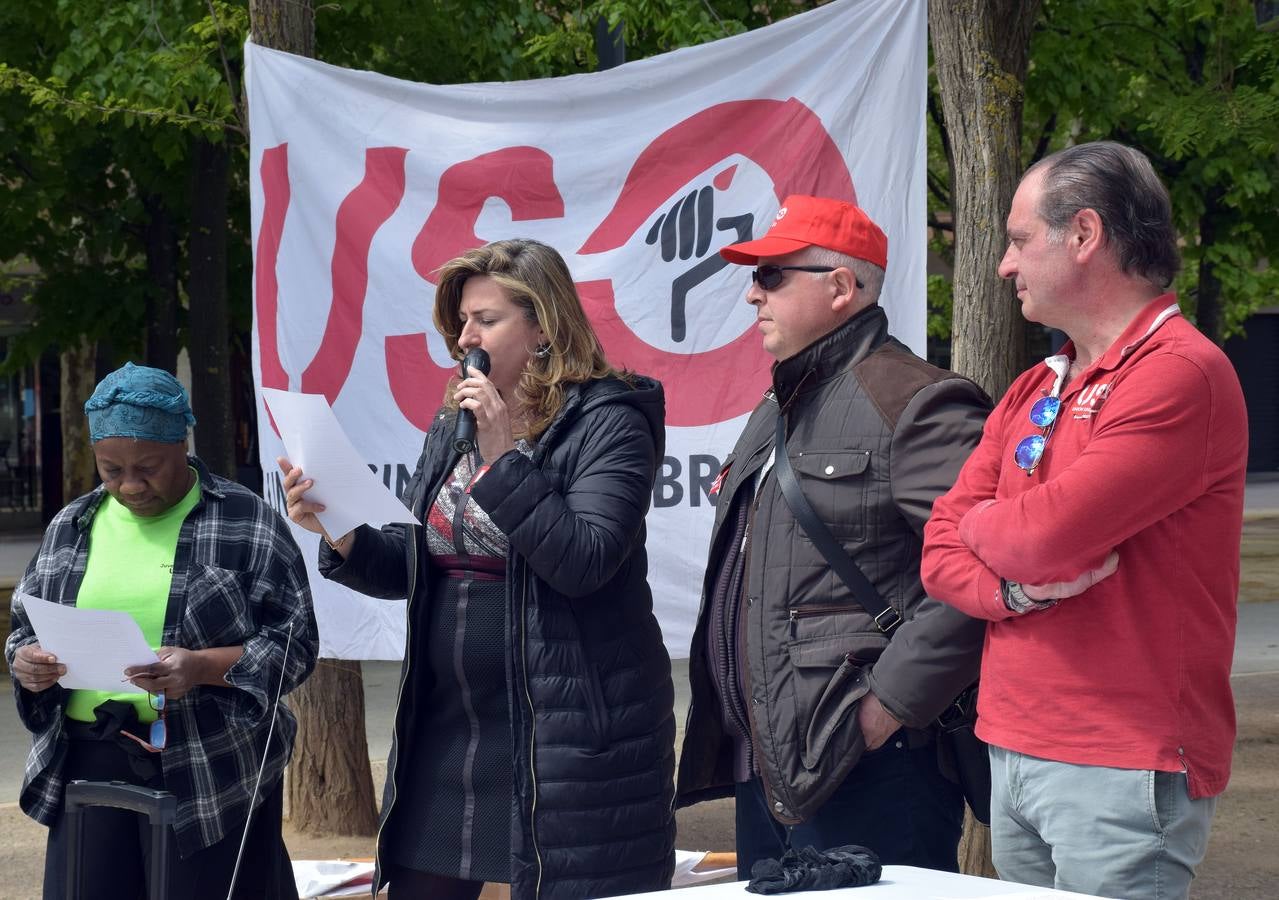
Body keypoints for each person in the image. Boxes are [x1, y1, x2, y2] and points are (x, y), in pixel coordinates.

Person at [280, 238, 676, 900]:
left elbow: (583, 561)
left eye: (484, 320)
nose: (464, 336)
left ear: (543, 325)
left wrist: (502, 454)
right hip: (447, 726)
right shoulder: (454, 420)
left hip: (559, 725)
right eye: (460, 321)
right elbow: (420, 562)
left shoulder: (609, 420)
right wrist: (340, 531)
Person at [920, 141, 1249, 899]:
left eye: (1018, 238)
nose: (1004, 264)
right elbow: (939, 549)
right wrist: (1013, 590)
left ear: (1084, 235)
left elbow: (1039, 538)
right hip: (1012, 745)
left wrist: (994, 526)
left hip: (1122, 760)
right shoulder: (1038, 382)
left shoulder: (1180, 373)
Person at [676, 195, 992, 877]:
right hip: (769, 764)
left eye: (770, 276)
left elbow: (973, 576)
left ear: (840, 287)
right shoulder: (778, 405)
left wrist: (886, 708)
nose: (750, 294)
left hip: (872, 766)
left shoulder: (916, 399)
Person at [6, 362, 318, 900]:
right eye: (110, 470)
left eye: (148, 467)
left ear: (182, 446)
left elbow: (296, 643)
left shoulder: (246, 520)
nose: (130, 485)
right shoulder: (72, 525)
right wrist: (26, 661)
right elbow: (22, 628)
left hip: (206, 759)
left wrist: (201, 667)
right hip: (88, 756)